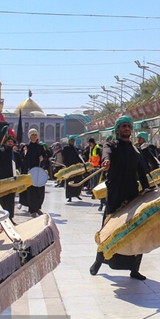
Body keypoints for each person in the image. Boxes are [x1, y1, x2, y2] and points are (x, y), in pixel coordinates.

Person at [89, 116, 151, 280]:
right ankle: (98, 261)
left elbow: (142, 171)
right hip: (115, 196)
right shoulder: (111, 145)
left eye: (129, 126)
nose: (126, 129)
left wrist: (147, 188)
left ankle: (134, 268)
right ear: (117, 129)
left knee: (136, 230)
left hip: (132, 195)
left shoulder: (134, 149)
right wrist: (106, 160)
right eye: (123, 126)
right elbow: (106, 153)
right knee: (108, 229)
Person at [0, 134, 21, 219]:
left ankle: (9, 218)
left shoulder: (15, 154)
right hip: (1, 178)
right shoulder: (0, 152)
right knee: (1, 199)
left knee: (10, 199)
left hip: (11, 179)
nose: (10, 143)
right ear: (5, 143)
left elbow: (20, 164)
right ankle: (0, 218)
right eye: (8, 141)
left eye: (11, 142)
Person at [22, 129, 47, 217]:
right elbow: (23, 160)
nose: (34, 136)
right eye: (32, 135)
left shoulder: (40, 147)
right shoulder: (26, 147)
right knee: (31, 192)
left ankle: (38, 208)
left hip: (39, 171)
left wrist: (42, 159)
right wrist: (24, 154)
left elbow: (45, 157)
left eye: (35, 135)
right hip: (30, 172)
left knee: (40, 192)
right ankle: (32, 210)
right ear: (29, 136)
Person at [61, 136, 84, 201]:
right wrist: (67, 165)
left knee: (78, 180)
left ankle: (77, 194)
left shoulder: (75, 149)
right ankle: (70, 196)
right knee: (70, 182)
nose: (72, 142)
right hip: (69, 167)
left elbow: (78, 157)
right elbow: (64, 157)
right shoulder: (66, 148)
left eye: (73, 141)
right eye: (71, 140)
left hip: (76, 168)